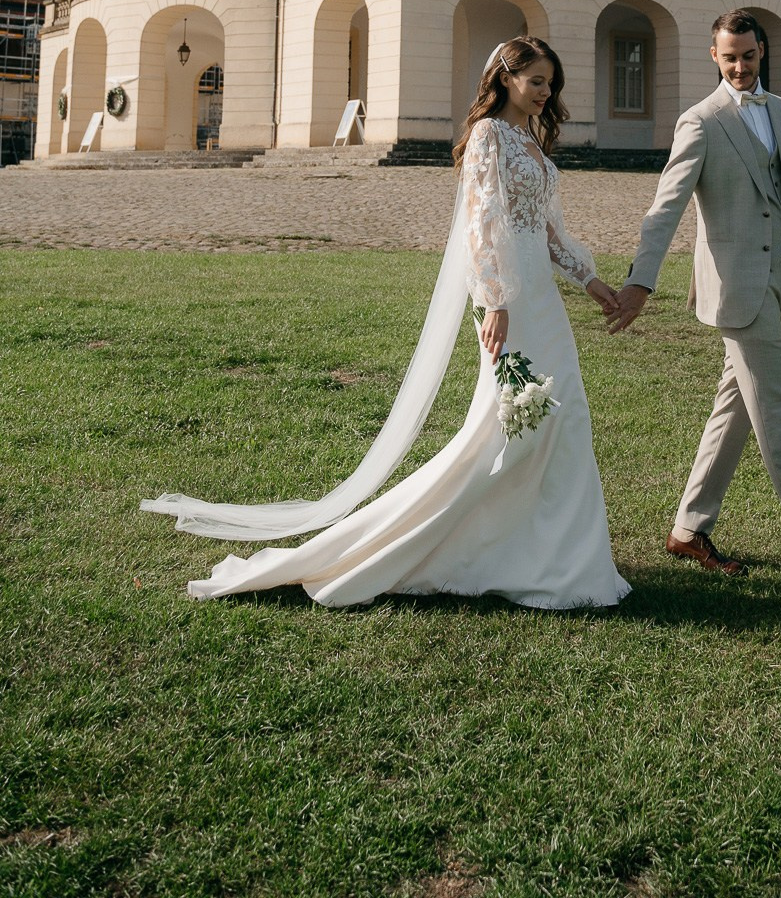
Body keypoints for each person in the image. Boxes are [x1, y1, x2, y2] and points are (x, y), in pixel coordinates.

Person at [143, 37, 630, 612]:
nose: (546, 92)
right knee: (509, 427)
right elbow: (480, 223)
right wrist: (495, 300)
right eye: (536, 81)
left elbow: (547, 230)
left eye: (551, 83)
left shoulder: (532, 140)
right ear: (506, 78)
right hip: (508, 301)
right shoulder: (488, 136)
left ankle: (557, 557)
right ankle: (459, 546)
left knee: (563, 418)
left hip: (543, 301)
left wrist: (592, 282)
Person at [607, 8, 781, 595]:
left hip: (779, 281)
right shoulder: (700, 121)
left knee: (734, 408)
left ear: (763, 52)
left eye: (749, 56)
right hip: (736, 288)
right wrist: (641, 281)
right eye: (730, 57)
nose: (740, 67)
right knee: (776, 413)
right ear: (714, 57)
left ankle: (689, 529)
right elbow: (665, 208)